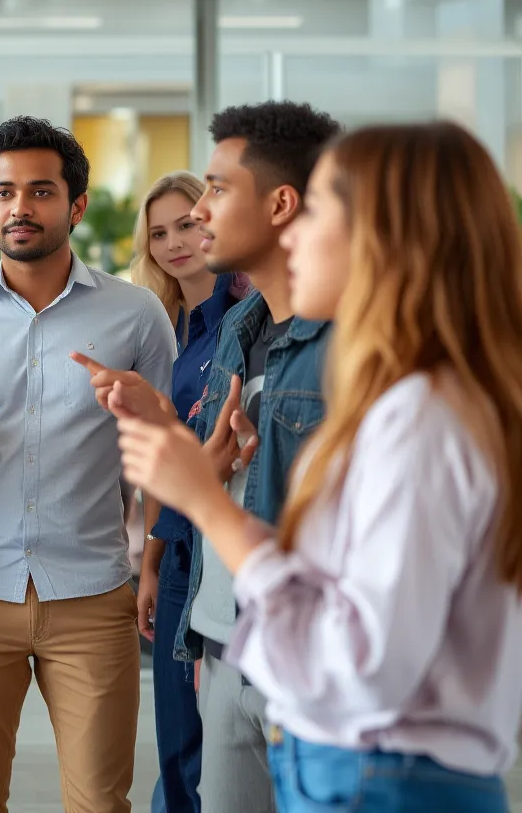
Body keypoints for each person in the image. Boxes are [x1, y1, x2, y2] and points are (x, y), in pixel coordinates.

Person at [118, 121, 522, 812]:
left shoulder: (421, 417)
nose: (295, 235)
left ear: (387, 238)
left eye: (318, 212)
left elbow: (362, 667)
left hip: (381, 778)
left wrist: (209, 503)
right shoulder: (422, 399)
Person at [79, 101, 340, 813]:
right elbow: (222, 475)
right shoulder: (236, 334)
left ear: (282, 203)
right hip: (224, 641)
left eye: (216, 190)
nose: (200, 213)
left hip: (310, 663)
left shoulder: (352, 351)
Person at [0, 115, 177, 813]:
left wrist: (150, 558)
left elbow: (164, 458)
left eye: (39, 191)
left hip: (91, 592)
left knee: (98, 801)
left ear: (76, 205)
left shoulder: (137, 315)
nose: (19, 208)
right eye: (3, 193)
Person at [129, 172, 247, 813]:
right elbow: (159, 464)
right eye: (159, 233)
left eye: (187, 224)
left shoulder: (249, 325)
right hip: (176, 559)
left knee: (219, 752)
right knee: (177, 745)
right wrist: (148, 563)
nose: (176, 242)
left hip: (227, 555)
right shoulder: (168, 331)